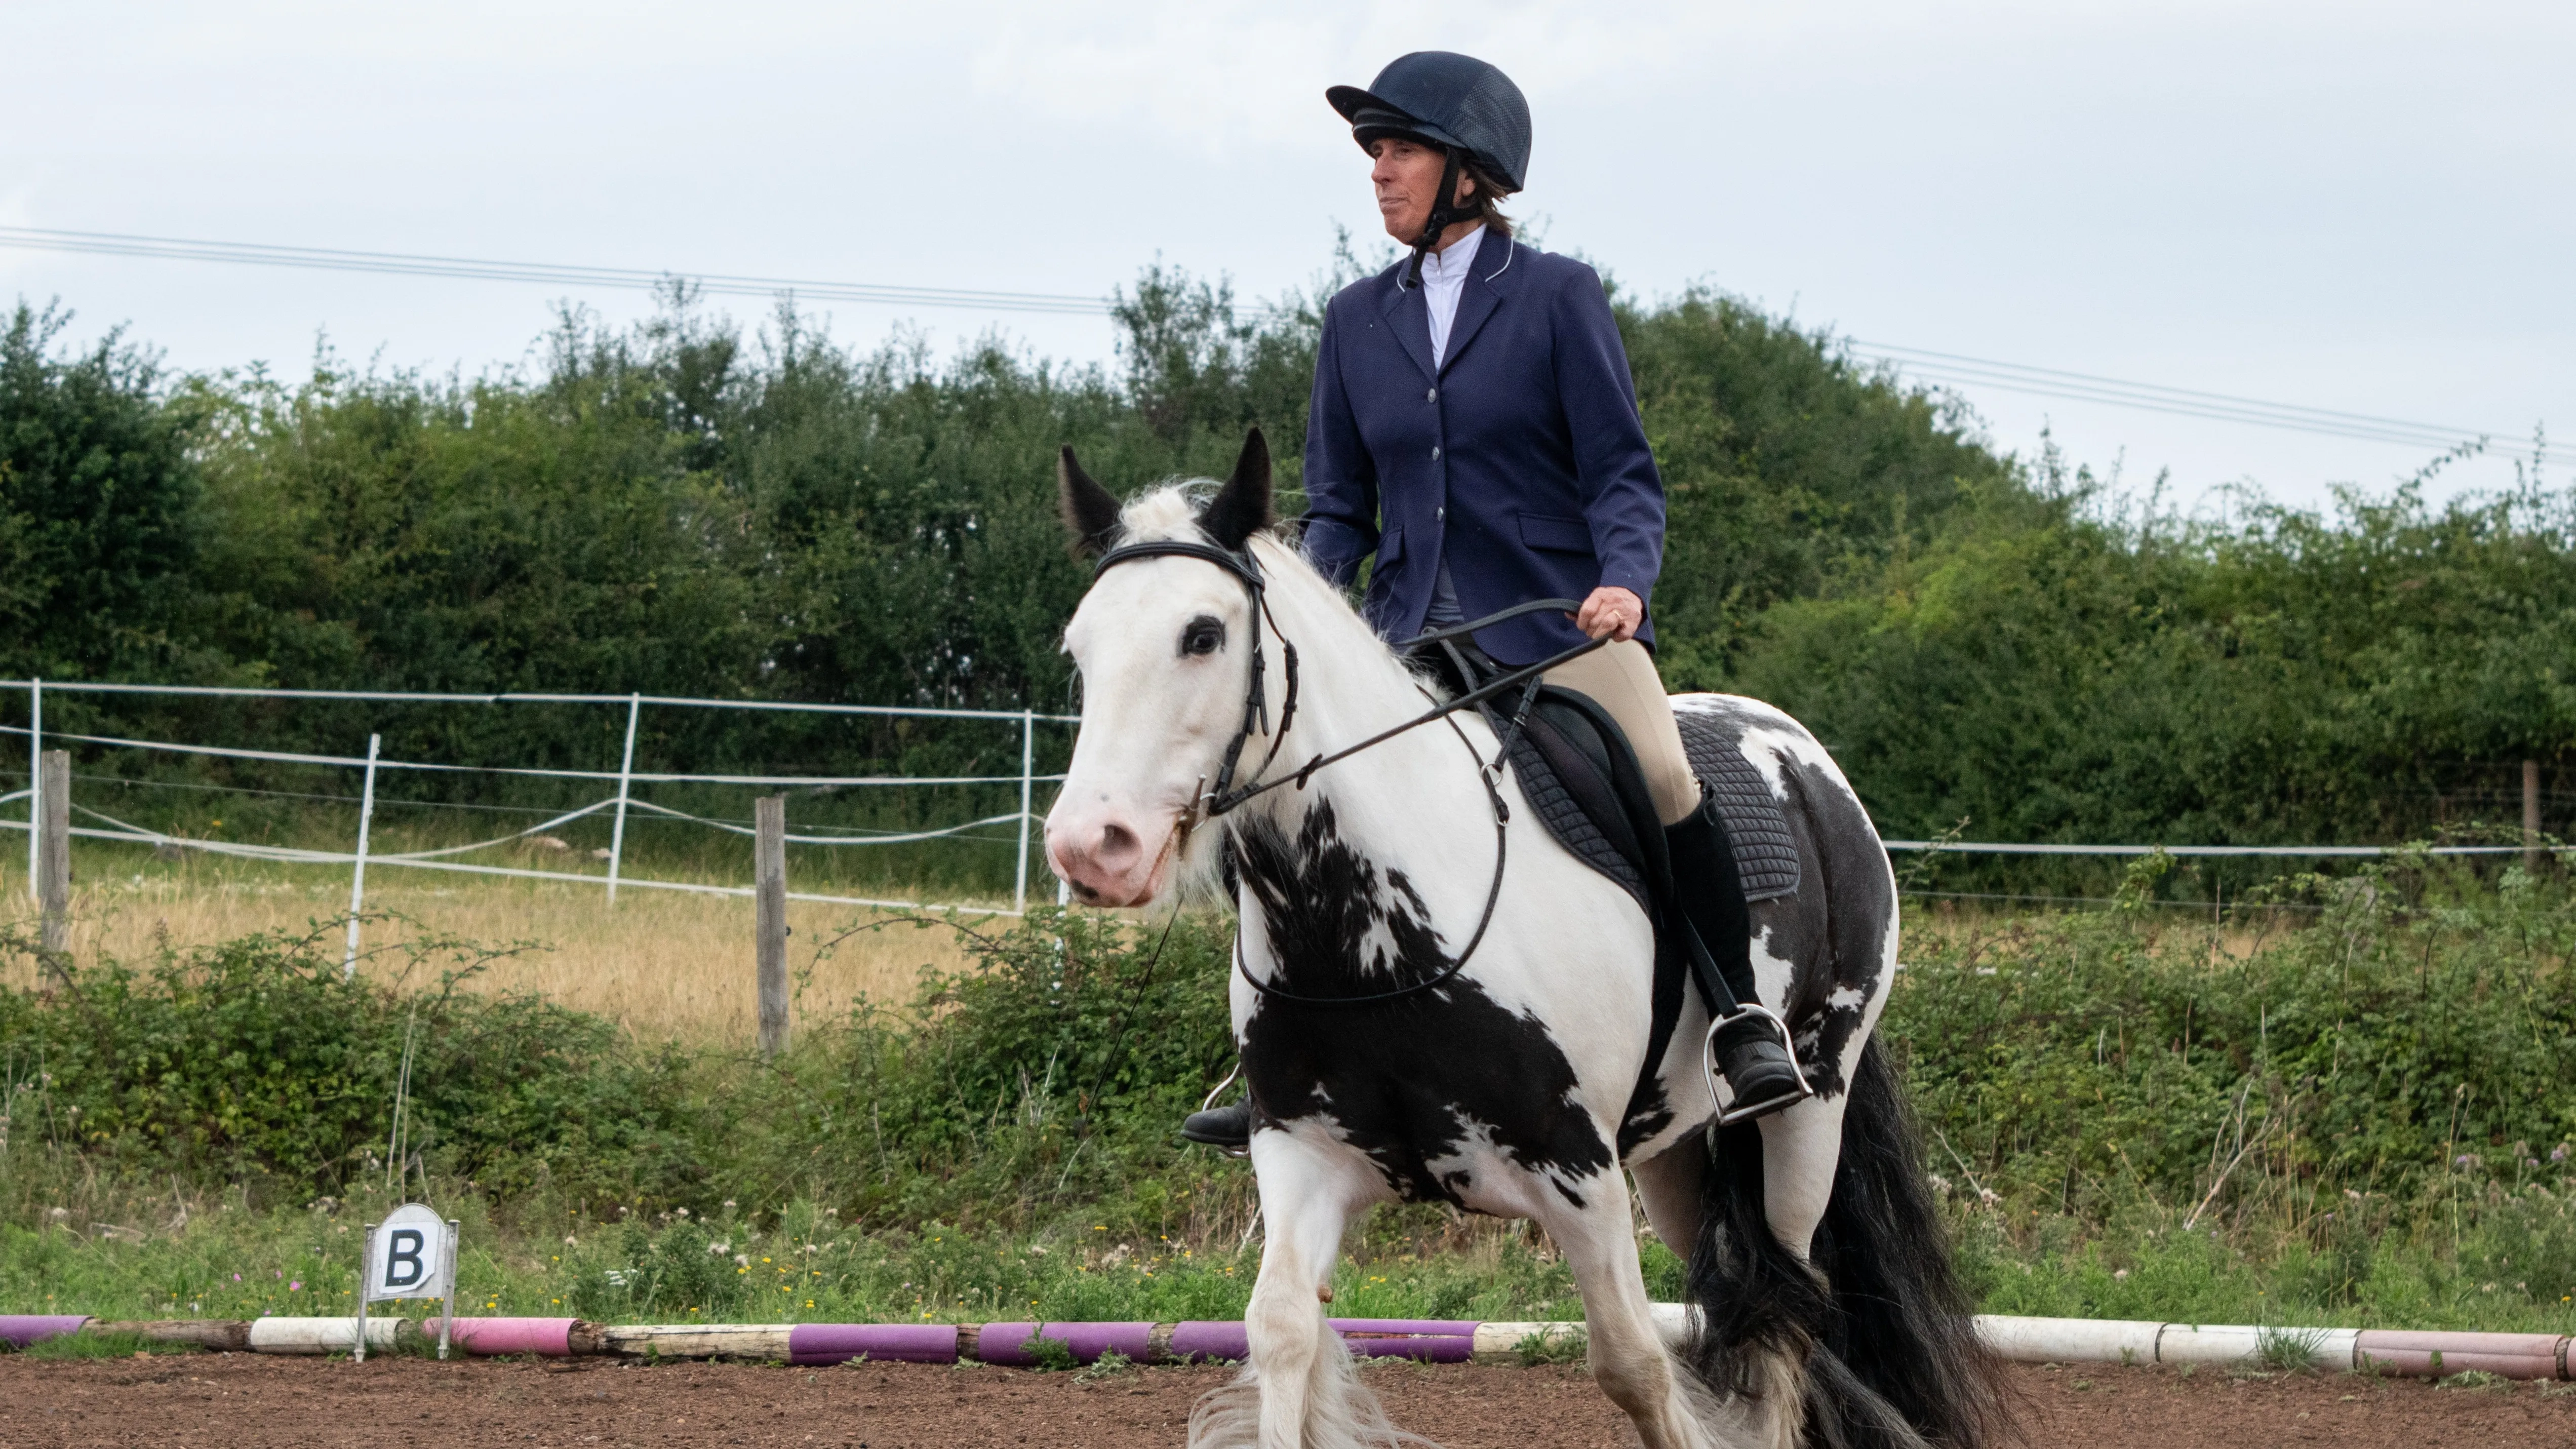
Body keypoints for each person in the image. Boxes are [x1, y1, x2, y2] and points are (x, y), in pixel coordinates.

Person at [1181, 52, 1803, 1149]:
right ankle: (1275, 1051)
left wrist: (1622, 581)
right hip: (1404, 633)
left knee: (1660, 770)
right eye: (1373, 151)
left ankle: (1742, 1018)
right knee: (1273, 796)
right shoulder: (1352, 319)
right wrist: (1306, 617)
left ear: (1471, 172)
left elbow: (1620, 471)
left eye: (1401, 149)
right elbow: (1339, 507)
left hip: (1554, 623)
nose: (1379, 171)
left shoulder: (1555, 295)